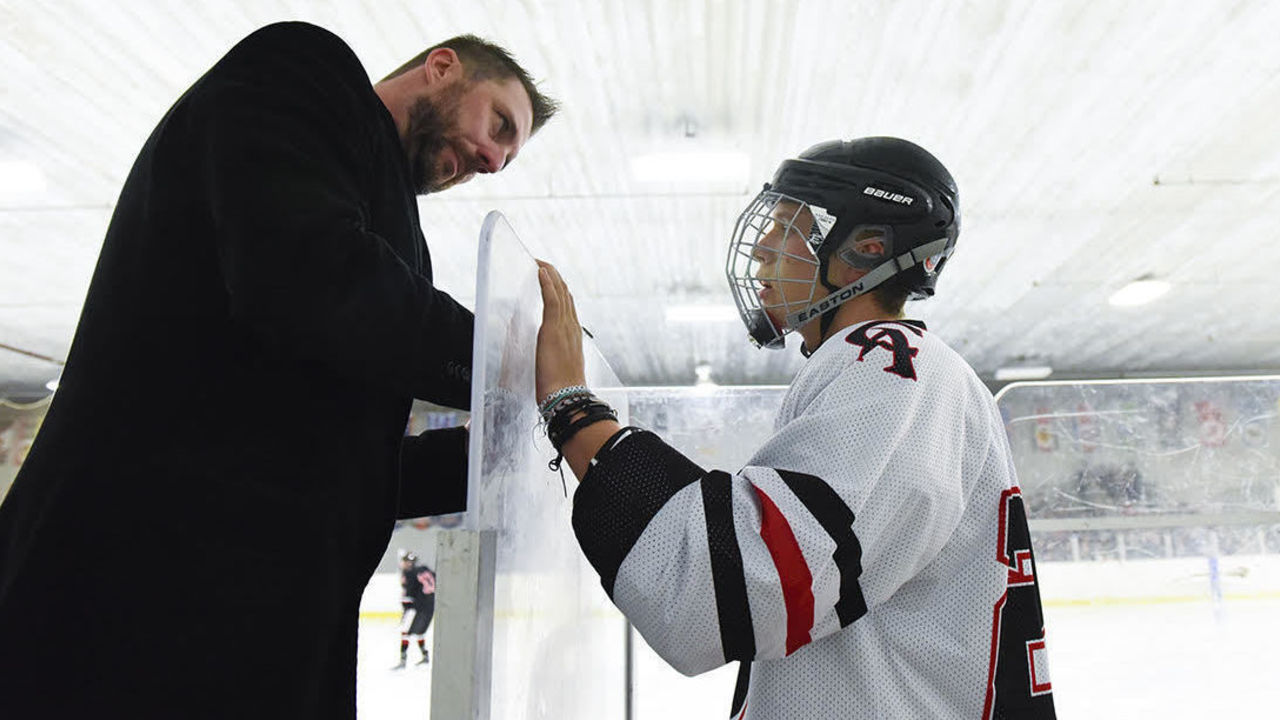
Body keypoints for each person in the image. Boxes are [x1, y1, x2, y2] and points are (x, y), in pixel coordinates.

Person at [0, 22, 556, 719]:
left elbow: (335, 462)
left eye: (506, 154)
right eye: (499, 124)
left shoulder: (393, 233)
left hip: (250, 635)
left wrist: (509, 444)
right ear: (442, 68)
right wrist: (519, 365)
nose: (493, 160)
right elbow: (309, 274)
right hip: (130, 601)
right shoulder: (301, 72)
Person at [534, 138, 1057, 718]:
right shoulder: (896, 370)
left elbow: (730, 586)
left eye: (786, 226)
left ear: (865, 249)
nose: (760, 250)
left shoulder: (889, 361)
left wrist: (572, 410)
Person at [392, 549, 437, 669]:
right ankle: (425, 656)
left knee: (405, 632)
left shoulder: (409, 573)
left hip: (416, 607)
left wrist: (405, 608)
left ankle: (403, 661)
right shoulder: (425, 569)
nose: (404, 564)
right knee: (420, 632)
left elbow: (408, 597)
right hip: (430, 606)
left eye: (405, 561)